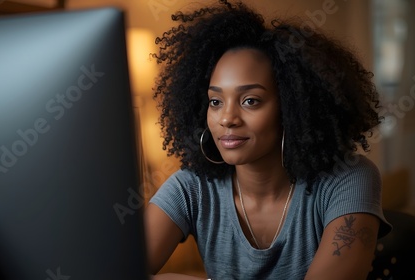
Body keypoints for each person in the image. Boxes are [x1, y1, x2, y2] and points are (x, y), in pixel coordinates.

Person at [144, 1, 392, 279]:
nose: (227, 118)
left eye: (250, 101)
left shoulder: (348, 180)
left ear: (292, 108)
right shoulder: (191, 187)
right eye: (215, 101)